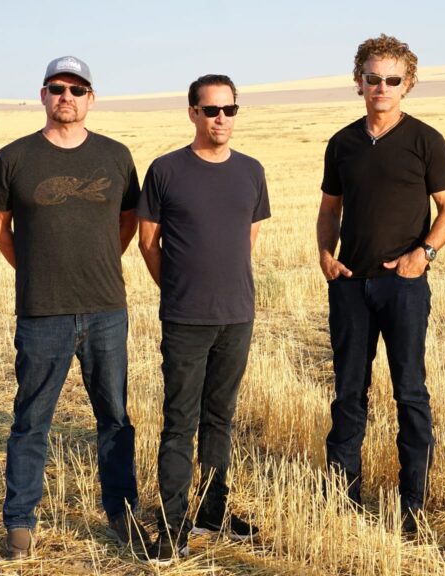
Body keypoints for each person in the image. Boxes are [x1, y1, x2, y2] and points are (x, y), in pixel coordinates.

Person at [0, 56, 144, 560]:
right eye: (57, 88)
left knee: (115, 417)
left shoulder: (116, 156)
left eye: (77, 89)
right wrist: (34, 269)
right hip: (42, 312)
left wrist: (97, 263)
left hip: (105, 310)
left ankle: (122, 513)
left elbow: (128, 222)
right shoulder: (13, 158)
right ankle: (20, 522)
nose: (67, 97)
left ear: (91, 98)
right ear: (43, 95)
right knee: (31, 419)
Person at [316, 34, 445, 534]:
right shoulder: (343, 142)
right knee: (348, 391)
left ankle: (412, 504)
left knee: (410, 392)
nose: (381, 86)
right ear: (358, 82)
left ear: (408, 85)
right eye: (372, 78)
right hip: (351, 284)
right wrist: (325, 257)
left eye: (392, 80)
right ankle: (342, 497)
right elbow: (330, 209)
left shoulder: (426, 140)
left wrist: (425, 254)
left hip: (403, 285)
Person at [137, 74, 270, 564]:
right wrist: (176, 289)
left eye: (229, 110)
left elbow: (249, 237)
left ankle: (214, 511)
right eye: (211, 110)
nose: (220, 119)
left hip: (237, 316)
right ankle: (172, 530)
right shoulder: (166, 170)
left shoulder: (252, 171)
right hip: (185, 318)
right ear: (192, 112)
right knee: (179, 423)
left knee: (222, 418)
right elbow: (148, 242)